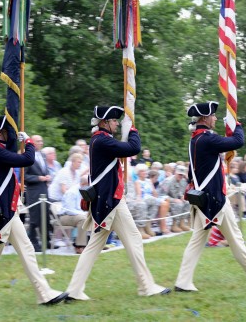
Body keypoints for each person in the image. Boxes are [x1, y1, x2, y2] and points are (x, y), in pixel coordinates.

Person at [0, 116, 67, 309]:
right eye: (7, 131)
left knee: (8, 254)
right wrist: (28, 141)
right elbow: (27, 159)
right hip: (4, 213)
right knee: (21, 251)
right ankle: (44, 294)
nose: (10, 134)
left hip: (5, 211)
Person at [65, 105, 170, 301]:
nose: (117, 123)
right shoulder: (103, 140)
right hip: (110, 202)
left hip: (107, 201)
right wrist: (132, 130)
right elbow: (133, 148)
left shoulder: (100, 140)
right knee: (133, 239)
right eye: (114, 121)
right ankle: (146, 287)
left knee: (94, 247)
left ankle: (74, 290)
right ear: (104, 122)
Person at [175, 101, 246, 292]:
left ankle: (183, 281)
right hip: (214, 200)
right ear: (205, 118)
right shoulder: (206, 138)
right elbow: (237, 142)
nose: (215, 118)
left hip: (204, 199)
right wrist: (235, 124)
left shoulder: (195, 139)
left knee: (198, 242)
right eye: (213, 116)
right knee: (235, 239)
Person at [24, 134, 52, 252]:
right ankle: (33, 242)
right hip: (33, 191)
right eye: (38, 141)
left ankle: (46, 241)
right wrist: (38, 178)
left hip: (44, 190)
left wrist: (47, 176)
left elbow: (44, 170)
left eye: (41, 141)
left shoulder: (43, 155)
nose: (41, 143)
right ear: (32, 143)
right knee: (35, 218)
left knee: (45, 216)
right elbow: (24, 176)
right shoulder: (27, 156)